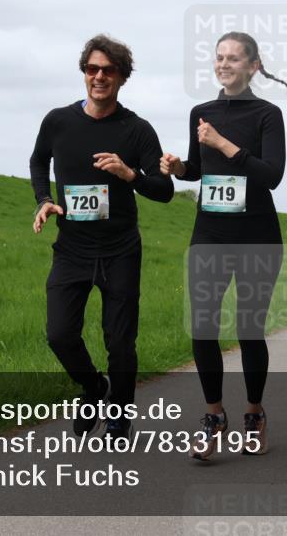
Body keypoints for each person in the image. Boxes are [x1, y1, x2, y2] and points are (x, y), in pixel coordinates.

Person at [30, 34, 173, 441]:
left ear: (122, 77)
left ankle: (120, 415)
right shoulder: (58, 121)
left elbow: (162, 191)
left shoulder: (137, 130)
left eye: (108, 71)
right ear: (84, 73)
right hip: (72, 249)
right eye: (92, 69)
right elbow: (39, 160)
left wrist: (130, 174)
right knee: (59, 334)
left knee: (121, 342)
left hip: (120, 250)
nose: (99, 77)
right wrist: (44, 199)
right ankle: (95, 388)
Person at [160, 31, 287, 460]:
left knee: (248, 328)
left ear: (253, 66)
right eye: (219, 58)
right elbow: (200, 169)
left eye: (234, 58)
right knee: (203, 325)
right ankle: (214, 416)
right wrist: (179, 167)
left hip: (256, 233)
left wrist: (222, 143)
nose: (224, 64)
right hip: (210, 233)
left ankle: (254, 413)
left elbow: (271, 174)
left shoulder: (267, 114)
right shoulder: (201, 111)